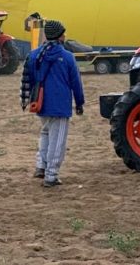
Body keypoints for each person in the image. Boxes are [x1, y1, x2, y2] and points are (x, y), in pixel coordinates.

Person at [20, 19, 85, 188]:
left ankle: (41, 166)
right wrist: (79, 102)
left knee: (46, 133)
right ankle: (51, 175)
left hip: (40, 103)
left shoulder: (34, 55)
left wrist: (26, 100)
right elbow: (75, 82)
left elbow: (27, 80)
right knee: (58, 140)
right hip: (60, 105)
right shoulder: (67, 57)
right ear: (59, 36)